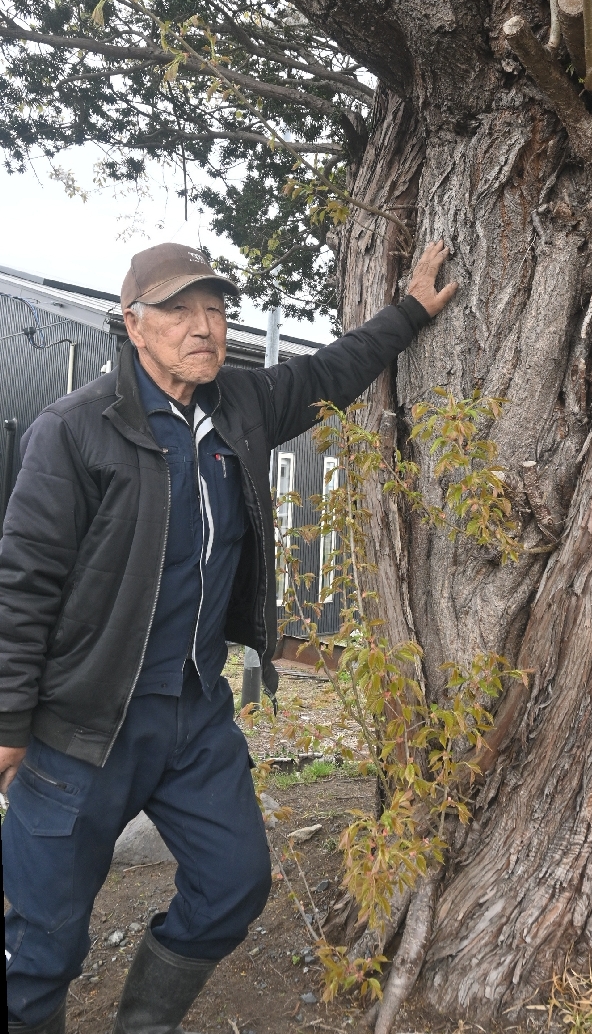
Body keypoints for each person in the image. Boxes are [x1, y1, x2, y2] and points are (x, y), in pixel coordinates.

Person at [0, 240, 456, 1034]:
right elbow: (24, 581)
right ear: (132, 323)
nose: (204, 327)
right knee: (43, 937)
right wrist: (6, 724)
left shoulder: (239, 407)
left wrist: (411, 309)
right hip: (81, 726)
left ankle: (143, 1024)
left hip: (194, 716)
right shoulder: (74, 431)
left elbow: (328, 374)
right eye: (180, 310)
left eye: (214, 309)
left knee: (234, 883)